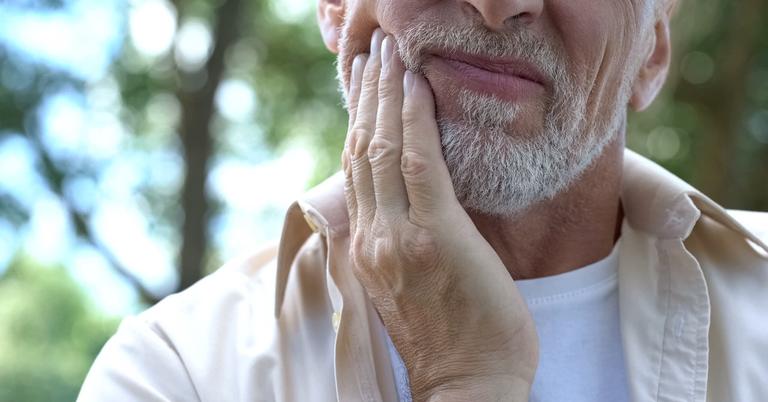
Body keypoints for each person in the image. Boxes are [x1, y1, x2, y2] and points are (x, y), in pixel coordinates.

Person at [79, 0, 768, 401]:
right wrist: (468, 379)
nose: (497, 3)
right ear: (335, 6)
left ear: (651, 50)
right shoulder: (178, 375)